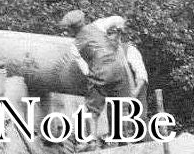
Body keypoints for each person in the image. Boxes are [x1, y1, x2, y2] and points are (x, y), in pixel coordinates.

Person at [59, 10, 149, 141]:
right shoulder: (98, 37)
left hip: (135, 96)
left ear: (119, 35)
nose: (111, 38)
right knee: (117, 129)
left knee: (137, 129)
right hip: (118, 92)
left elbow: (142, 76)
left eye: (114, 34)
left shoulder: (130, 50)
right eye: (109, 35)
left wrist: (133, 95)